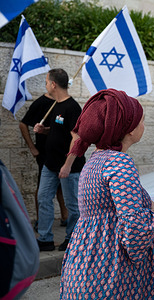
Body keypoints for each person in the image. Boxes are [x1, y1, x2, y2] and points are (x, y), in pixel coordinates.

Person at [60, 89, 154, 299]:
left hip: (84, 265)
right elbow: (135, 230)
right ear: (129, 129)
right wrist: (152, 212)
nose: (144, 125)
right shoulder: (119, 162)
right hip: (110, 273)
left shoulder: (94, 161)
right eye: (142, 120)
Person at [33, 69, 85, 251]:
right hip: (50, 164)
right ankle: (45, 238)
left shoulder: (72, 107)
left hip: (68, 167)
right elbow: (58, 131)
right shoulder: (55, 105)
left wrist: (67, 165)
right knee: (43, 198)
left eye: (47, 82)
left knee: (73, 204)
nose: (46, 85)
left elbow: (76, 138)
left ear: (53, 84)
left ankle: (73, 239)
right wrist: (44, 130)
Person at [19, 93, 68, 230]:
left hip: (60, 152)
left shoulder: (64, 104)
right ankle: (41, 220)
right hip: (44, 154)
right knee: (43, 187)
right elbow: (23, 124)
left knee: (61, 185)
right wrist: (32, 147)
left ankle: (66, 217)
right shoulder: (40, 102)